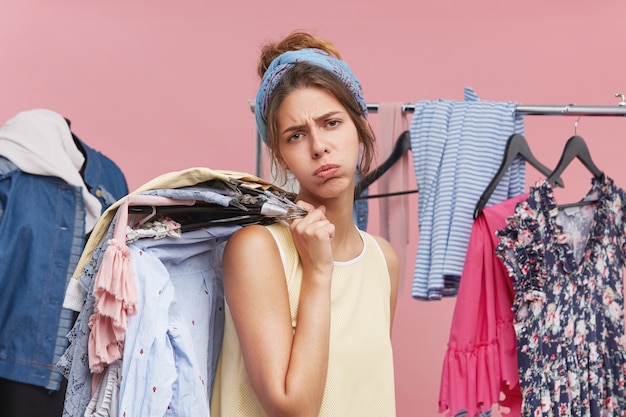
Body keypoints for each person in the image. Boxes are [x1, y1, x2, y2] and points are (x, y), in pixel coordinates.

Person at [210, 31, 399, 416]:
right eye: (296, 135)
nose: (319, 147)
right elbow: (293, 409)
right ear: (280, 154)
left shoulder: (384, 260)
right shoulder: (257, 249)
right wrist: (317, 271)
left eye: (331, 123)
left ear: (359, 126)